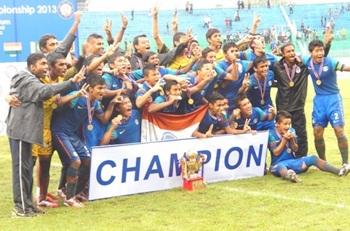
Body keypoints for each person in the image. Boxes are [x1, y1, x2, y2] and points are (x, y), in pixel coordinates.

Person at [6, 53, 84, 217]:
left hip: (28, 132)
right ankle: (20, 208)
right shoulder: (25, 77)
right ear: (32, 66)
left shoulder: (31, 78)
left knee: (27, 170)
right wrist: (71, 82)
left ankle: (29, 205)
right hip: (20, 131)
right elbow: (43, 92)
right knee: (21, 170)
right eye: (43, 64)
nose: (46, 68)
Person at [51, 74, 117, 207]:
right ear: (90, 89)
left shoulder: (96, 103)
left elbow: (103, 119)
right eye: (99, 88)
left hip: (72, 134)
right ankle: (69, 199)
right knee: (75, 161)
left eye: (104, 88)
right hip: (60, 132)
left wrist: (112, 104)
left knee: (88, 160)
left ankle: (71, 191)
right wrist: (75, 95)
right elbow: (58, 102)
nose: (102, 91)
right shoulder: (78, 95)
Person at [302, 39, 350, 166]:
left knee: (339, 130)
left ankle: (346, 163)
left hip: (333, 98)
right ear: (311, 52)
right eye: (317, 51)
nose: (320, 53)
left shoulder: (330, 61)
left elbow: (345, 67)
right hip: (319, 100)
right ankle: (323, 162)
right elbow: (292, 57)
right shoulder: (307, 61)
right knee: (317, 132)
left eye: (322, 50)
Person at [268, 111, 350, 183]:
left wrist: (292, 139)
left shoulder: (291, 130)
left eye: (289, 124)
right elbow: (276, 152)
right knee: (281, 167)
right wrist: (284, 140)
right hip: (277, 164)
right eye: (285, 124)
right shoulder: (271, 134)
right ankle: (290, 176)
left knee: (313, 158)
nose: (288, 126)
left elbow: (295, 149)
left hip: (293, 162)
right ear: (277, 124)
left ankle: (339, 171)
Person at [273, 43, 309, 157]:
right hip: (283, 107)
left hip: (298, 106)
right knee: (282, 133)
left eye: (293, 50)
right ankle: (283, 157)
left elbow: (319, 58)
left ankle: (301, 157)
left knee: (301, 134)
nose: (292, 53)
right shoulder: (277, 67)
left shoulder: (303, 67)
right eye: (288, 51)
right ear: (283, 54)